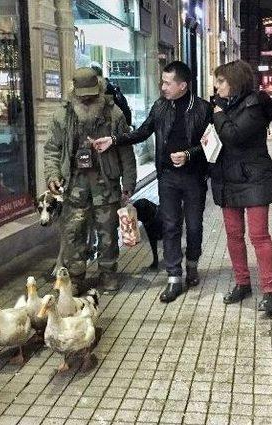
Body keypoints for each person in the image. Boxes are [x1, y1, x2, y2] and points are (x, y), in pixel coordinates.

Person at [92, 61, 212, 303]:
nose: (163, 86)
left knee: (195, 226)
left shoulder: (202, 108)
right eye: (162, 82)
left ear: (183, 86)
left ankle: (192, 264)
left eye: (168, 83)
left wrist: (189, 154)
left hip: (194, 178)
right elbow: (143, 132)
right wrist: (113, 140)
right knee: (170, 225)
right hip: (167, 177)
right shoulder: (160, 107)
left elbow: (212, 144)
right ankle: (174, 277)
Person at [44, 67, 137, 293]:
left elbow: (126, 151)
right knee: (73, 233)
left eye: (91, 95)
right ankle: (75, 278)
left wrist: (128, 184)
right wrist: (52, 175)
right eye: (82, 95)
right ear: (74, 92)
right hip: (74, 184)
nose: (87, 99)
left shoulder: (114, 114)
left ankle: (108, 274)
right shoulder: (62, 116)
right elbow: (52, 150)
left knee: (107, 232)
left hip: (106, 183)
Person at [207, 60, 272, 316]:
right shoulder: (225, 104)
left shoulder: (254, 104)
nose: (216, 87)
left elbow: (234, 135)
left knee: (259, 236)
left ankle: (269, 291)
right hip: (227, 177)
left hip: (254, 177)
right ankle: (242, 283)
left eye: (221, 81)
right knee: (233, 235)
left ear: (235, 81)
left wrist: (217, 113)